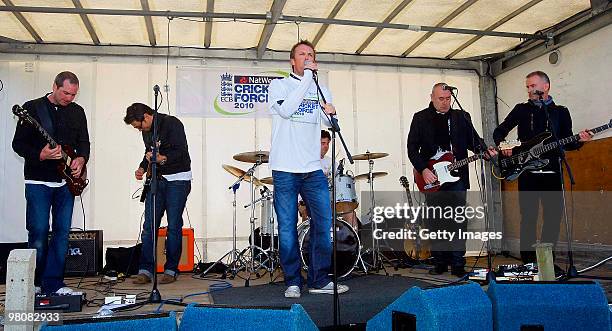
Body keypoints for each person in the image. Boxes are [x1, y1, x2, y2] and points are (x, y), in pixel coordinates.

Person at [268, 40, 349, 298]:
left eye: (311, 54)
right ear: (292, 61)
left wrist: (331, 113)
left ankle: (318, 279)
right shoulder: (278, 85)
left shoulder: (322, 89)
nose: (307, 57)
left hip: (312, 167)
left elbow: (328, 123)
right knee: (288, 227)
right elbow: (287, 110)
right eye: (302, 54)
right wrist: (307, 80)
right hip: (285, 167)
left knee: (324, 224)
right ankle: (293, 280)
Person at [493, 71, 592, 264]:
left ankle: (546, 261)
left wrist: (580, 140)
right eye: (528, 87)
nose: (529, 90)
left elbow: (567, 142)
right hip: (527, 172)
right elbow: (500, 130)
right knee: (528, 218)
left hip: (552, 172)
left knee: (553, 218)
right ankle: (528, 261)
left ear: (546, 86)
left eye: (533, 86)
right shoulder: (521, 110)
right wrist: (504, 145)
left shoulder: (560, 112)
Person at [12, 71, 90, 294]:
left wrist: (81, 159)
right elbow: (18, 144)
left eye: (73, 94)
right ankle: (35, 283)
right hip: (38, 180)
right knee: (37, 230)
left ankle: (55, 283)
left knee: (62, 232)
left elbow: (84, 142)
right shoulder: (32, 109)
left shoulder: (77, 112)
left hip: (66, 184)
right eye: (66, 93)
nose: (69, 98)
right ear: (54, 86)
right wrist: (41, 154)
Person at [407, 82, 496, 277]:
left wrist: (484, 151)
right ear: (431, 97)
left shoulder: (461, 117)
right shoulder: (420, 118)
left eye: (448, 99)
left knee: (457, 220)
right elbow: (412, 148)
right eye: (441, 98)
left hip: (457, 175)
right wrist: (423, 170)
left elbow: (473, 140)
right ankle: (439, 261)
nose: (445, 102)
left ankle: (457, 263)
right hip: (432, 176)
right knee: (437, 220)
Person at [123, 103, 192, 285]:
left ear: (146, 116)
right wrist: (142, 167)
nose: (140, 130)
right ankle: (146, 270)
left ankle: (171, 269)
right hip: (157, 180)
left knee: (174, 226)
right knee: (149, 226)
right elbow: (148, 153)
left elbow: (181, 152)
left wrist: (163, 159)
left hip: (178, 179)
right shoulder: (147, 131)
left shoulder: (172, 124)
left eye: (139, 126)